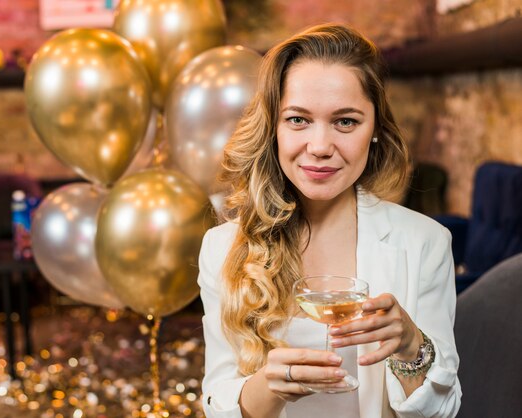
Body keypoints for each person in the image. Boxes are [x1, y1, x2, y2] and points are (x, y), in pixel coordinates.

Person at [197, 23, 461, 418]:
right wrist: (270, 385)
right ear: (273, 128)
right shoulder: (223, 247)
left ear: (375, 131)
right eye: (298, 120)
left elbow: (445, 410)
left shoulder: (424, 242)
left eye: (346, 122)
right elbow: (218, 405)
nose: (319, 148)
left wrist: (411, 346)